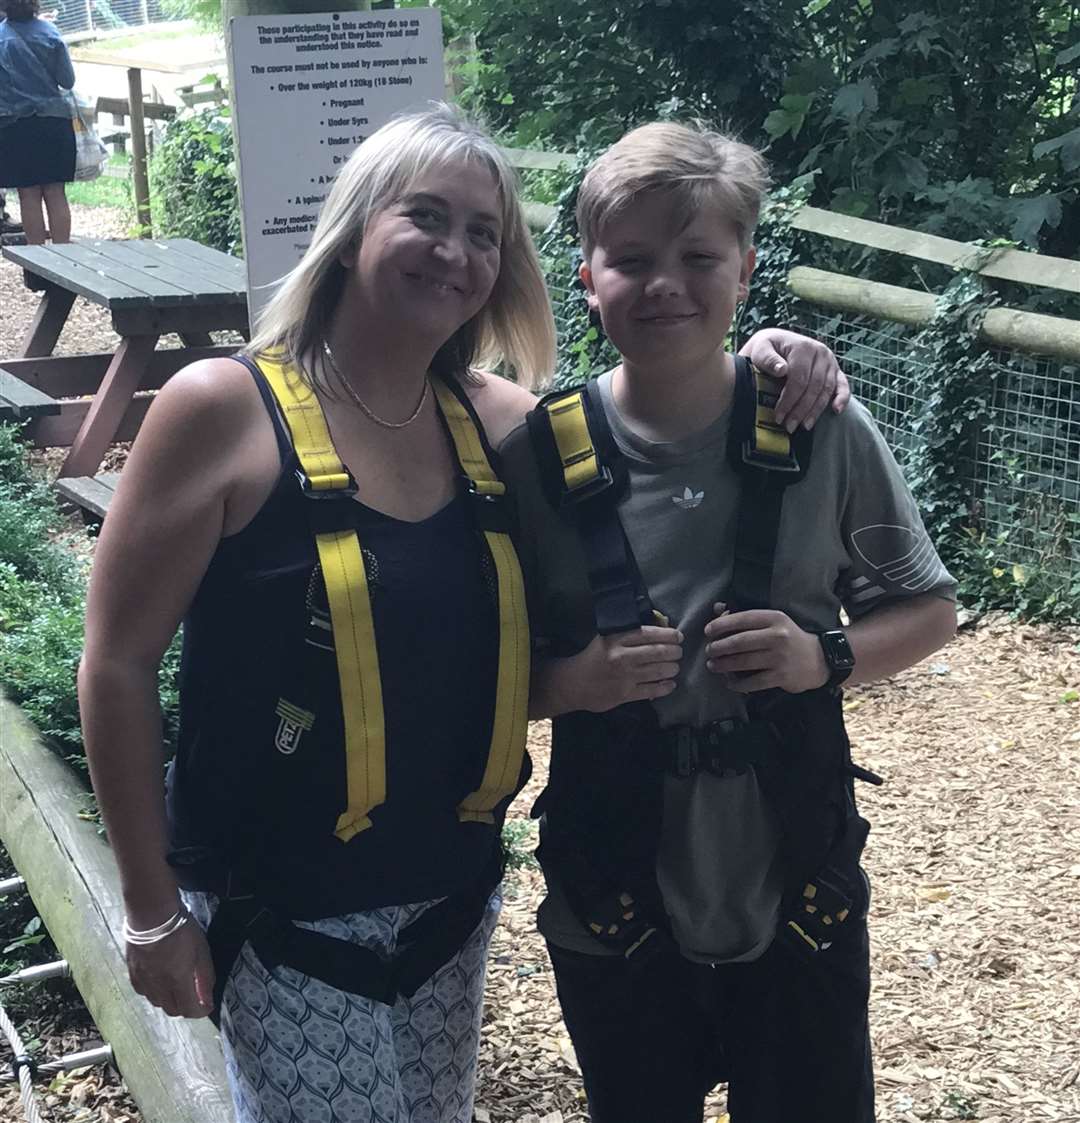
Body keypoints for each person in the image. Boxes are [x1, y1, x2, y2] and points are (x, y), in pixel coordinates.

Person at [79, 104, 849, 1123]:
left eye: (485, 233)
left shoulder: (502, 426)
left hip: (449, 897)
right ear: (356, 227)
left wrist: (779, 353)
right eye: (427, 218)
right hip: (283, 904)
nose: (457, 252)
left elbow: (656, 404)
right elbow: (118, 663)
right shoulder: (221, 409)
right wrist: (146, 908)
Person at [499, 121, 958, 1123]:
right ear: (586, 278)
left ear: (746, 270)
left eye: (698, 257)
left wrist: (823, 654)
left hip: (797, 886)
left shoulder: (816, 422)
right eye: (633, 260)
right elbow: (476, 675)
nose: (665, 283)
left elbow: (929, 609)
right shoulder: (537, 460)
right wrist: (568, 684)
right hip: (612, 896)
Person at [0, 0, 75, 245]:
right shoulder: (50, 33)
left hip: (14, 126)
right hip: (54, 122)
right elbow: (67, 80)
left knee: (28, 195)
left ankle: (37, 265)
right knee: (55, 192)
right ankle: (65, 261)